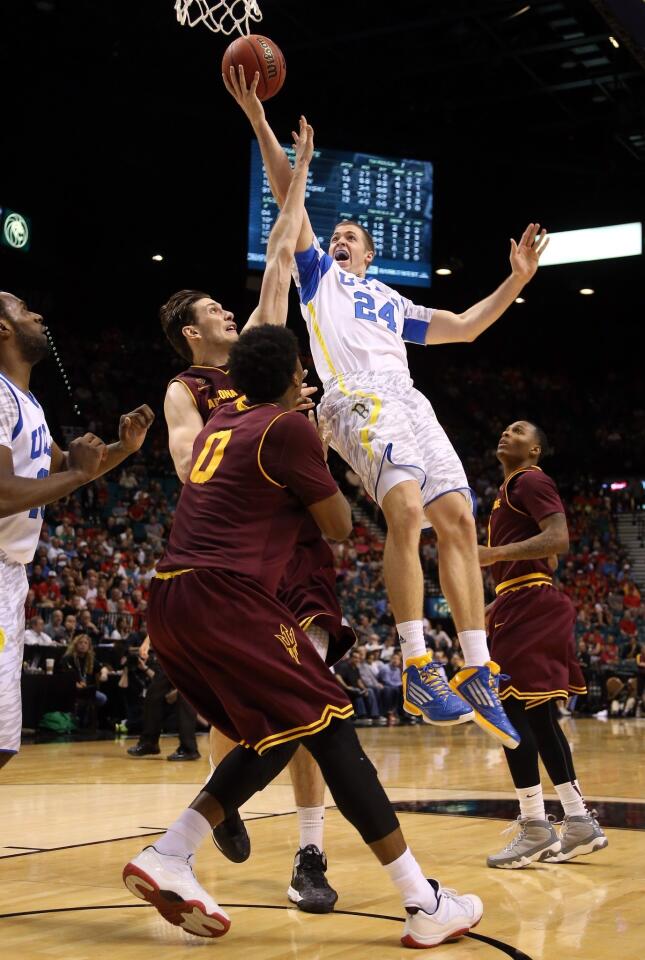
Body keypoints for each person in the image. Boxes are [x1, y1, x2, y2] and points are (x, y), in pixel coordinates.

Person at [122, 321, 483, 949]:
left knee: (278, 734)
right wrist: (316, 455)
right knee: (336, 727)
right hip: (225, 597)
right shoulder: (286, 428)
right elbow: (340, 525)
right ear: (295, 377)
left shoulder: (218, 426)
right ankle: (422, 902)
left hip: (170, 596)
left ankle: (172, 851)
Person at [224, 68, 551, 746]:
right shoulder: (319, 279)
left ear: (370, 255)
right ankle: (414, 661)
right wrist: (260, 121)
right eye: (334, 234)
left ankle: (476, 666)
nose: (337, 239)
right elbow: (288, 195)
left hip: (408, 400)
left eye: (349, 236)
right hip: (354, 398)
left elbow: (462, 326)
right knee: (404, 509)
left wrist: (515, 282)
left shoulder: (393, 302)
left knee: (457, 517)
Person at [158, 119, 352, 912]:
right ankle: (221, 801)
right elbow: (184, 466)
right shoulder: (191, 393)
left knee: (310, 691)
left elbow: (278, 255)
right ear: (189, 334)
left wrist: (296, 170)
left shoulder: (260, 375)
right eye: (215, 310)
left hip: (294, 553)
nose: (232, 315)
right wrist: (254, 442)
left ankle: (308, 852)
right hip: (233, 557)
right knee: (238, 708)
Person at [0, 290, 154, 768]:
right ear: (3, 329)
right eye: (25, 310)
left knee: (4, 741)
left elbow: (70, 468)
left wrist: (122, 449)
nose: (39, 314)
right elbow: (3, 493)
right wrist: (78, 474)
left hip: (12, 574)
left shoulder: (29, 404)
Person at [478, 420, 607, 868]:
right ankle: (577, 820)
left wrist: (492, 555)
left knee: (509, 713)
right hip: (524, 601)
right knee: (537, 716)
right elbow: (545, 552)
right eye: (505, 429)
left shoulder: (529, 479)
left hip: (530, 602)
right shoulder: (508, 492)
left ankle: (534, 824)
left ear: (535, 450)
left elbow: (558, 540)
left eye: (517, 431)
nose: (505, 433)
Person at [127, 634, 200, 761]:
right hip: (175, 653)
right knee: (154, 692)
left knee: (186, 699)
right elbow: (161, 619)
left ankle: (189, 748)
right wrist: (147, 642)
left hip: (194, 651)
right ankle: (149, 742)